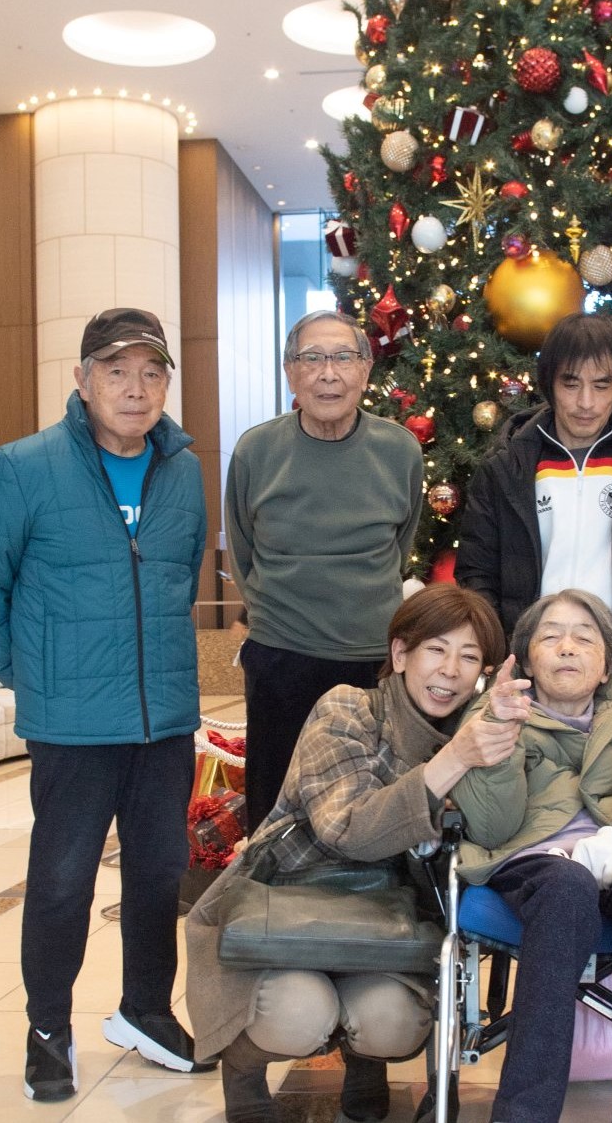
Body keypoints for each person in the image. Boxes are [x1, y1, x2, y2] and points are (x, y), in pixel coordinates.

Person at [0, 308, 209, 1104]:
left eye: (150, 372)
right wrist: (30, 678)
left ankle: (145, 1010)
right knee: (63, 879)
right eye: (115, 370)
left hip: (163, 717)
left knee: (159, 872)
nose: (135, 389)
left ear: (167, 381)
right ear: (82, 379)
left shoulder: (184, 468)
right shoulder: (22, 465)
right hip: (71, 725)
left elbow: (177, 573)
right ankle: (46, 1029)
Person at [186, 584, 518, 1123]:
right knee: (297, 1016)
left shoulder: (473, 733)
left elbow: (497, 831)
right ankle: (243, 1064)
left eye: (470, 656)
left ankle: (365, 1059)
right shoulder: (348, 708)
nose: (451, 670)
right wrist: (451, 762)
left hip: (389, 923)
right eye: (436, 649)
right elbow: (349, 829)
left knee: (392, 1022)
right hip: (291, 901)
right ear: (400, 653)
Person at [452, 589, 612, 1123]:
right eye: (550, 636)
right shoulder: (493, 710)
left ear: (607, 661)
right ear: (526, 658)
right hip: (534, 861)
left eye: (584, 637)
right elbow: (494, 824)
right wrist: (500, 730)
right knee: (567, 888)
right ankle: (523, 1114)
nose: (567, 647)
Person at [225, 308, 424, 832]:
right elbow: (244, 552)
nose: (327, 373)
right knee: (273, 811)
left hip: (372, 661)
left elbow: (399, 545)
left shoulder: (400, 450)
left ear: (365, 370)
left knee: (369, 809)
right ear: (290, 373)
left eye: (343, 357)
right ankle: (268, 909)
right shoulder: (255, 451)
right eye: (311, 358)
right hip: (281, 660)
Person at [455, 311, 612, 678]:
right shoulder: (505, 467)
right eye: (571, 384)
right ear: (550, 385)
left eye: (602, 385)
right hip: (530, 671)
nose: (586, 402)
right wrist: (498, 659)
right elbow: (478, 577)